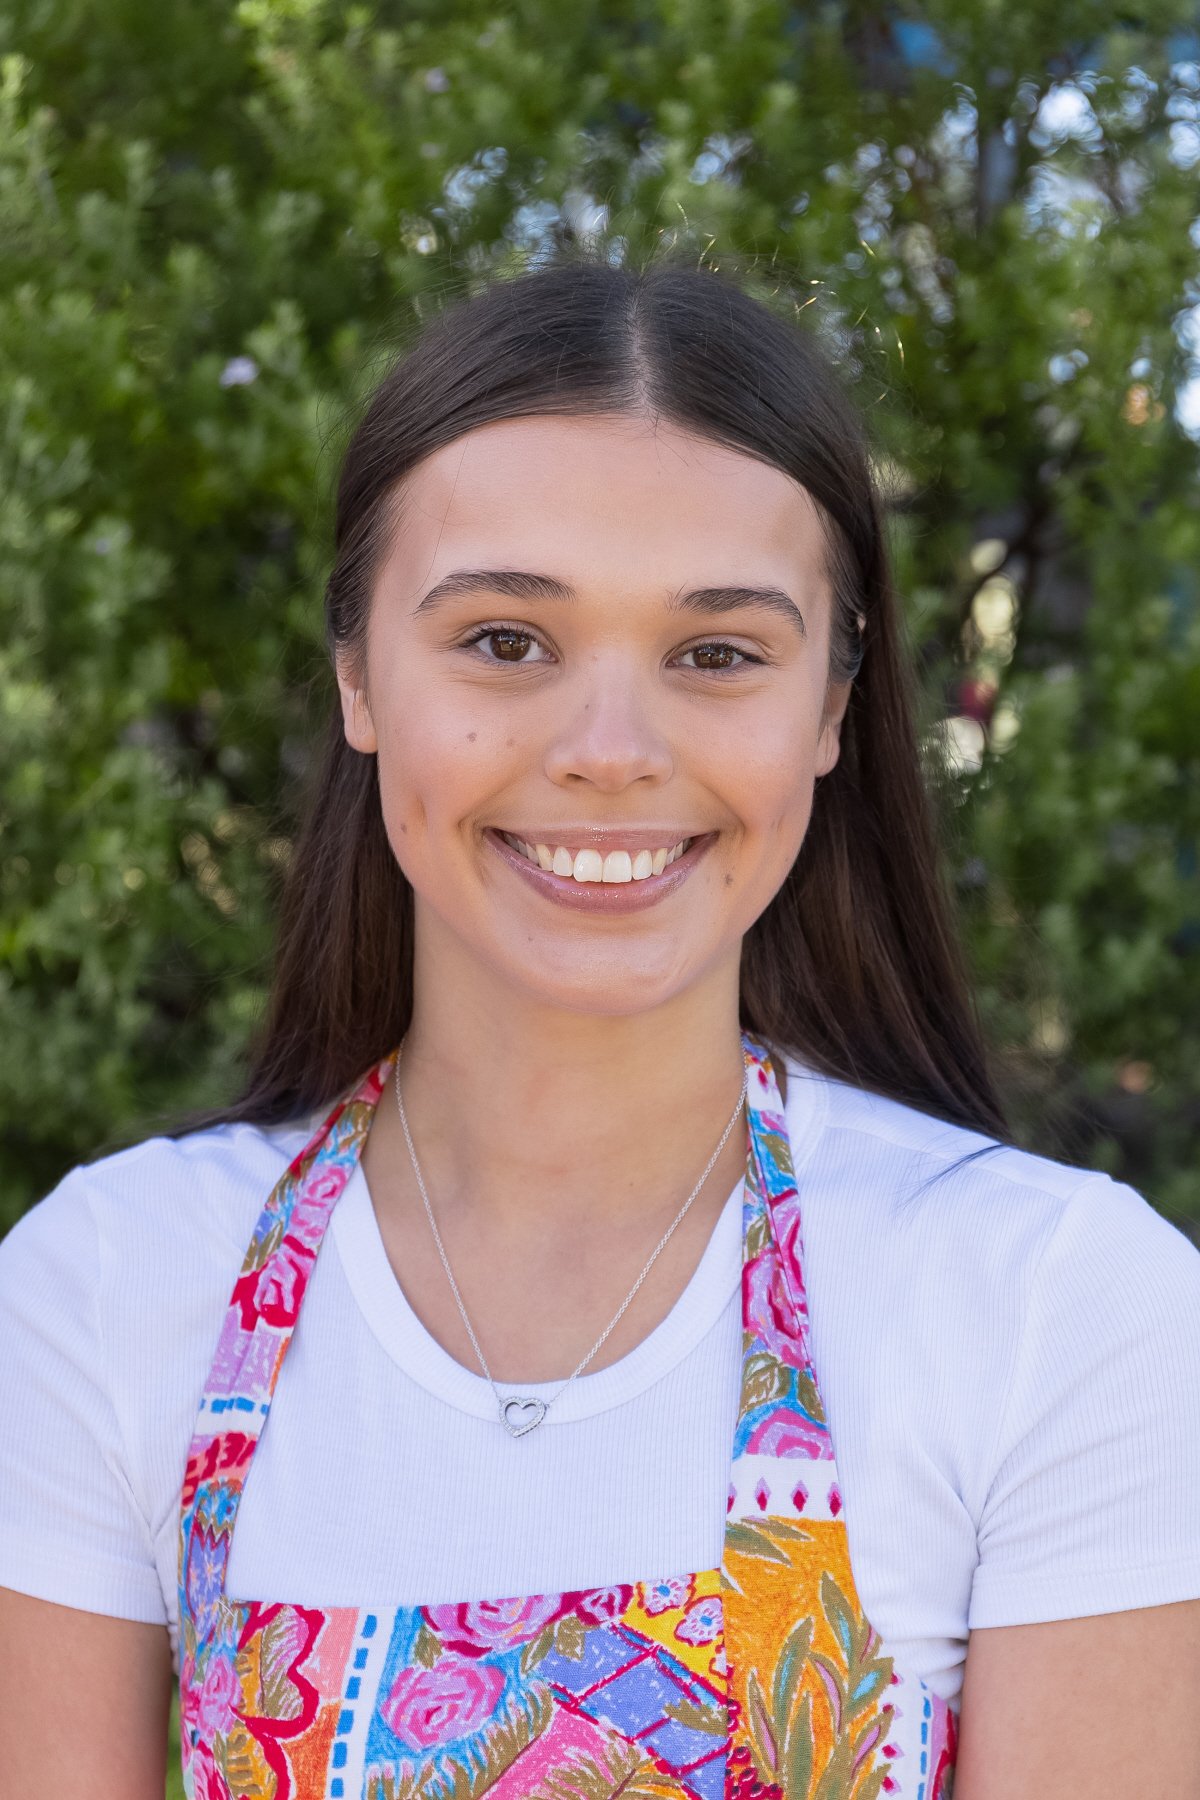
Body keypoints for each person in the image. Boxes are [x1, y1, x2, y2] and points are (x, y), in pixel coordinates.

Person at [2, 257, 1199, 1800]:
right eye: (507, 640)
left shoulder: (1062, 1309)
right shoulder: (105, 1288)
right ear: (358, 673)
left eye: (718, 654)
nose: (611, 751)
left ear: (832, 711)